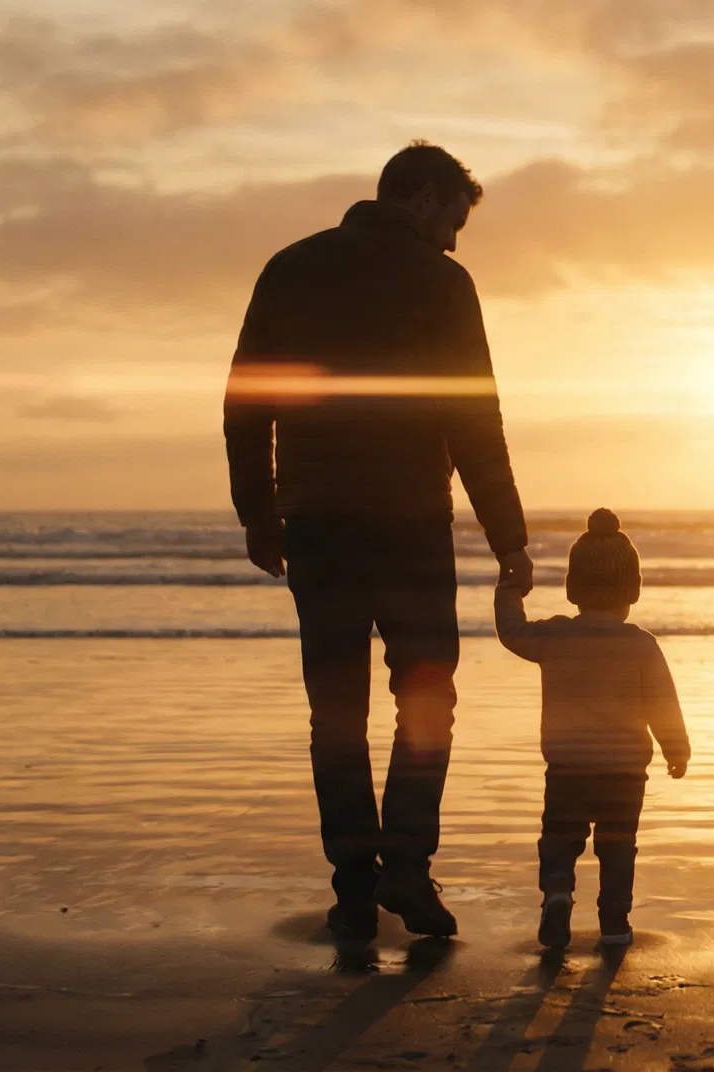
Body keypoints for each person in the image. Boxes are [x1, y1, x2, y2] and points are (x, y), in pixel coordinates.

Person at [224, 143, 533, 942]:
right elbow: (474, 418)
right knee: (427, 697)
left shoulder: (290, 267)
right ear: (424, 199)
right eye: (455, 221)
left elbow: (245, 402)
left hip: (318, 525)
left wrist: (258, 512)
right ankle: (408, 867)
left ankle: (355, 890)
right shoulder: (441, 282)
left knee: (336, 714)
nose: (457, 241)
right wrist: (510, 537)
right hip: (408, 528)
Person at [494, 508, 690, 948]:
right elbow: (663, 703)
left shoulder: (556, 637)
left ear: (573, 589)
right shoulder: (641, 645)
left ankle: (559, 892)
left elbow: (511, 631)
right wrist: (677, 750)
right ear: (631, 591)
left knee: (560, 838)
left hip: (567, 767)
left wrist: (510, 587)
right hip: (624, 772)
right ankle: (615, 925)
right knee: (618, 847)